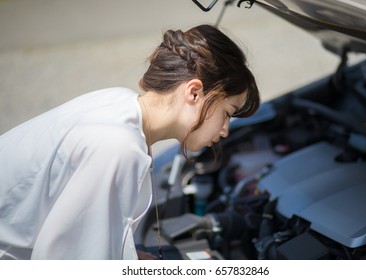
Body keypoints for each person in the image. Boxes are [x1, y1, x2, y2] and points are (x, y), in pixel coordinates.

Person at [0, 24, 260, 259]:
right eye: (227, 113)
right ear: (193, 92)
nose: (226, 130)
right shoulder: (119, 147)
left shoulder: (117, 102)